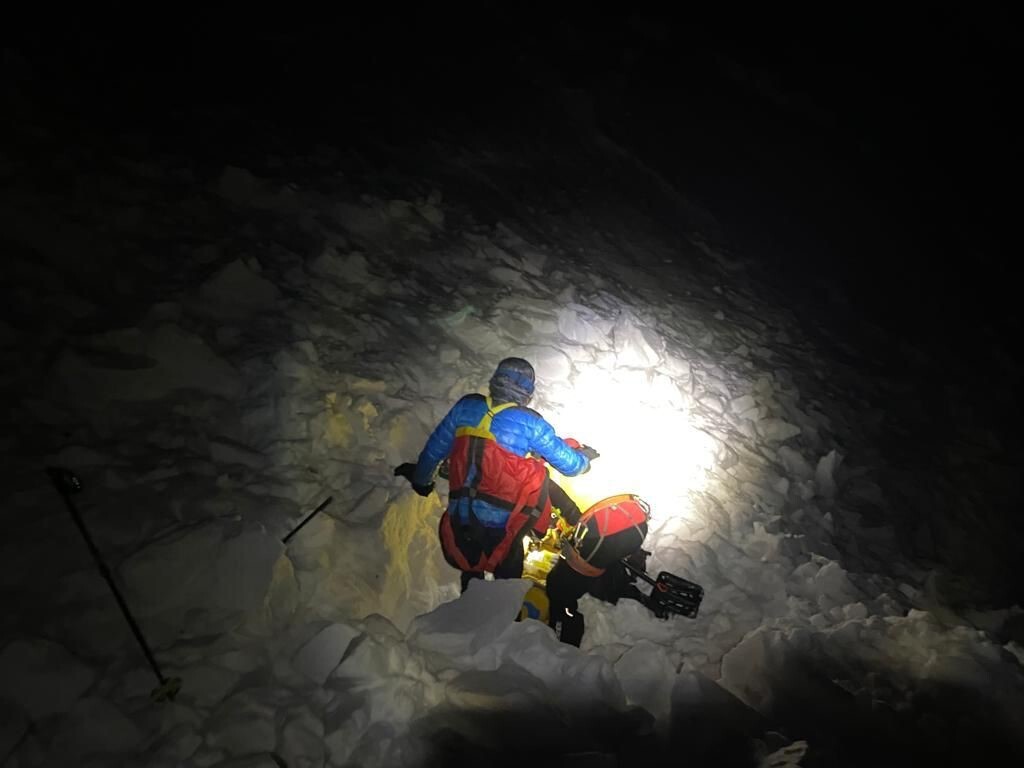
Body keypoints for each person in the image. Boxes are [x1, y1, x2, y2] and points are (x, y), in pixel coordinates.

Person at [395, 357, 598, 592]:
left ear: (496, 380)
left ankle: (469, 602)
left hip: (463, 513)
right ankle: (505, 607)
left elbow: (434, 450)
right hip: (507, 521)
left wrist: (421, 481)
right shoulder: (530, 423)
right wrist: (584, 460)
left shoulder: (466, 407)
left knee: (471, 567)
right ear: (527, 391)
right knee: (507, 577)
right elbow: (570, 466)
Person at [545, 494, 652, 646]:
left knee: (558, 587)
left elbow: (539, 531)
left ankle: (563, 640)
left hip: (587, 559)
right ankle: (629, 592)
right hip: (610, 545)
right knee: (605, 576)